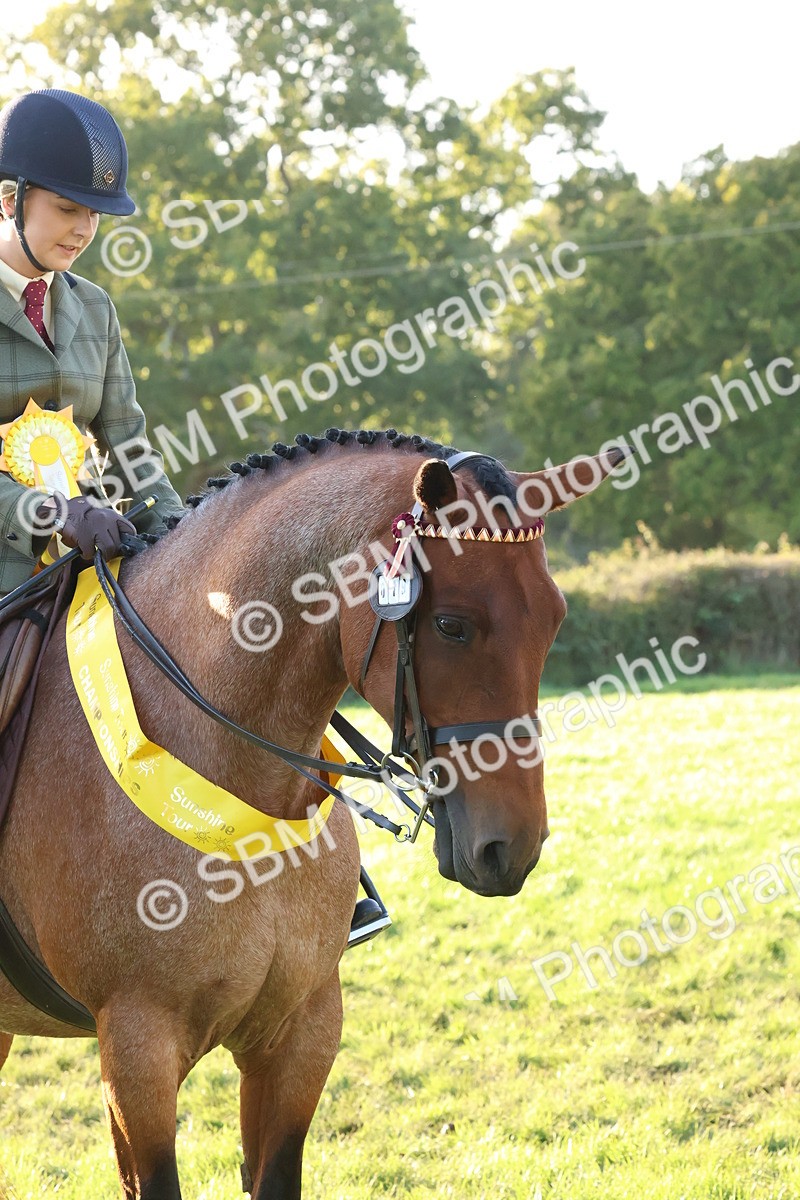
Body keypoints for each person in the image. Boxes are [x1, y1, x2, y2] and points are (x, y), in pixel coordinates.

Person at [0, 88, 184, 595]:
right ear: (10, 200)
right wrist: (48, 510)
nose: (84, 230)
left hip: (88, 566)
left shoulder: (97, 306)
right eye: (66, 208)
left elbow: (128, 446)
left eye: (95, 215)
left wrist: (184, 533)